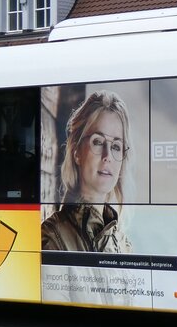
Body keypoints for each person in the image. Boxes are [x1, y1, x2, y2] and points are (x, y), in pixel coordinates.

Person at [41, 90, 133, 253]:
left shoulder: (124, 245)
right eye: (97, 142)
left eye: (116, 146)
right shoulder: (52, 239)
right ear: (77, 152)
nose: (108, 156)